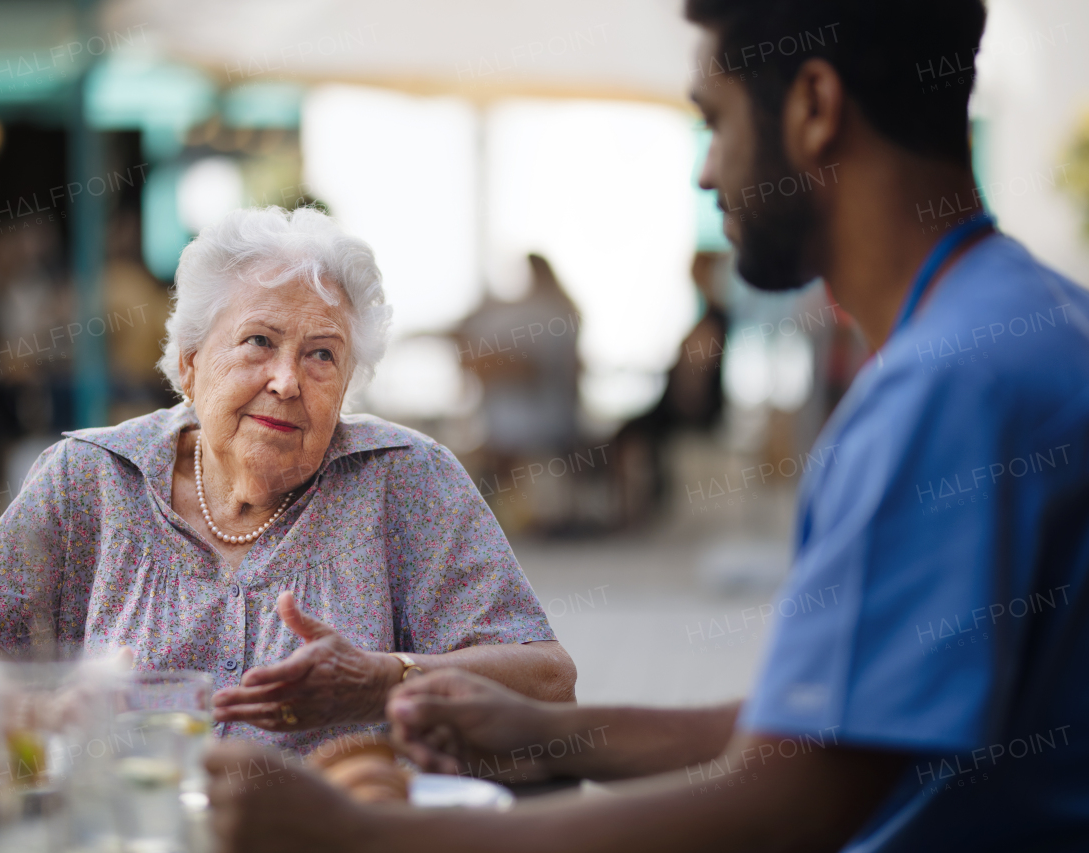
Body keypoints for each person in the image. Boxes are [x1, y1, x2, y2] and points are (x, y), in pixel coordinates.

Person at [204, 1, 1089, 849]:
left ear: (815, 108)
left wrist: (368, 836)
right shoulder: (1031, 324)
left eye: (718, 119)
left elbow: (781, 811)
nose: (708, 171)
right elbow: (831, 730)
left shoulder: (941, 394)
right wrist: (553, 732)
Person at [0, 207, 576, 754]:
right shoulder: (89, 481)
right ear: (188, 364)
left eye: (323, 355)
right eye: (258, 342)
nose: (286, 380)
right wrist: (34, 708)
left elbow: (548, 681)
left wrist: (386, 679)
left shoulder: (407, 480)